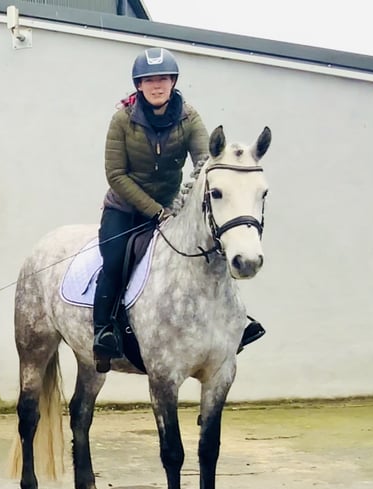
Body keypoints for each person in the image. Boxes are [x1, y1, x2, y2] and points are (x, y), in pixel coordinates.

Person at [92, 47, 265, 372]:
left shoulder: (189, 117)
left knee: (211, 251)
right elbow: (115, 175)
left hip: (172, 208)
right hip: (125, 210)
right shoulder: (122, 120)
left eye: (163, 79)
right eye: (149, 80)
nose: (157, 85)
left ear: (173, 82)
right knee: (115, 261)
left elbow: (204, 160)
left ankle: (237, 322)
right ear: (139, 85)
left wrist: (205, 183)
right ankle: (104, 332)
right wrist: (154, 210)